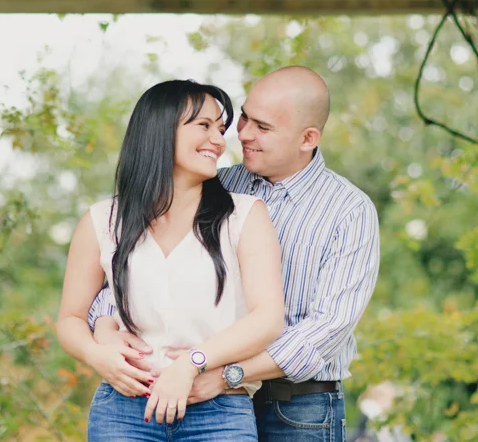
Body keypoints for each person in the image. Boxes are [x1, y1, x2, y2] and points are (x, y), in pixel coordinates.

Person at [88, 66, 381, 442]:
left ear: (308, 138)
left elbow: (328, 326)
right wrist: (106, 326)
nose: (241, 134)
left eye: (262, 127)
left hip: (295, 407)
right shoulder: (215, 183)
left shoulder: (348, 210)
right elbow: (139, 272)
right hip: (199, 396)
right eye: (243, 117)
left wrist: (228, 374)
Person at [55, 80, 285, 441]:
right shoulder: (102, 221)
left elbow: (268, 319)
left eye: (219, 129)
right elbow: (70, 318)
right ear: (160, 131)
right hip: (124, 411)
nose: (218, 140)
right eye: (204, 125)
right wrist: (96, 355)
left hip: (218, 412)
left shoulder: (246, 216)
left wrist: (192, 363)